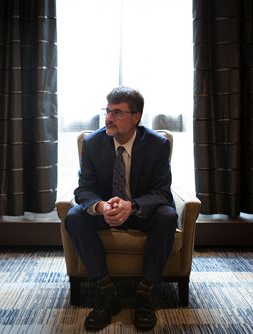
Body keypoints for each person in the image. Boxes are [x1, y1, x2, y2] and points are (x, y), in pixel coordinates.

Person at [64, 86, 177, 331]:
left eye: (117, 112)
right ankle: (107, 293)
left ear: (136, 117)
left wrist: (132, 206)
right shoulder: (93, 143)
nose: (108, 118)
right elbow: (83, 189)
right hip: (108, 211)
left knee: (168, 215)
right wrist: (102, 206)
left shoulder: (157, 145)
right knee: (74, 216)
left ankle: (144, 294)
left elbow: (161, 193)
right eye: (107, 111)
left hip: (140, 213)